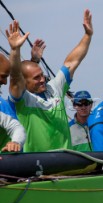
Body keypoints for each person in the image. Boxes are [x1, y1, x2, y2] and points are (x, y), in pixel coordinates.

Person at [6, 9, 93, 152]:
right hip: (36, 166)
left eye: (42, 75)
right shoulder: (22, 100)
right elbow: (15, 77)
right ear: (24, 83)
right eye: (36, 78)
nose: (42, 80)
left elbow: (72, 61)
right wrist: (15, 50)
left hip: (65, 164)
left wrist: (88, 35)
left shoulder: (53, 88)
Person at [0, 53, 26, 152]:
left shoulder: (2, 105)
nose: (5, 82)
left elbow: (16, 127)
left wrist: (15, 142)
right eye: (2, 76)